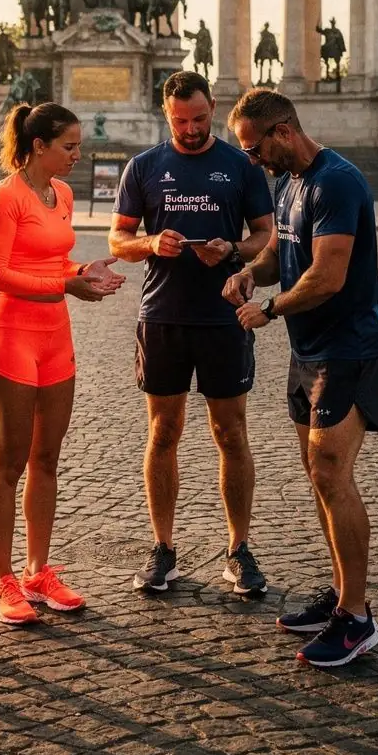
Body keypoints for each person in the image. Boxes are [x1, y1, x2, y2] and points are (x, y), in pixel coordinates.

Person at [224, 87, 378, 669]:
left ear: (284, 131)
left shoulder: (336, 182)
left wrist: (268, 310)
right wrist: (250, 272)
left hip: (349, 347)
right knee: (318, 477)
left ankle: (357, 617)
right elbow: (280, 250)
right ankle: (344, 591)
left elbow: (328, 275)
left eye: (254, 147)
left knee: (331, 472)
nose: (251, 160)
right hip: (309, 350)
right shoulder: (287, 180)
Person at [109, 70, 274, 594]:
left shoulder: (240, 166)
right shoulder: (144, 166)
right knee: (163, 432)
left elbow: (266, 237)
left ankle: (238, 549)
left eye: (200, 119)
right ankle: (163, 548)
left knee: (231, 433)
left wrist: (229, 250)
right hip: (162, 316)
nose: (191, 128)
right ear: (167, 115)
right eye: (181, 121)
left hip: (225, 315)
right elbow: (118, 239)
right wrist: (151, 243)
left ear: (213, 108)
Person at [0, 102, 124, 626]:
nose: (77, 156)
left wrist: (85, 270)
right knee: (10, 462)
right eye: (69, 147)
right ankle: (2, 581)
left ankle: (37, 572)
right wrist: (67, 283)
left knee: (47, 460)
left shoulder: (60, 194)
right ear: (38, 146)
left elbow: (55, 262)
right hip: (11, 335)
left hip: (55, 335)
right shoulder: (5, 196)